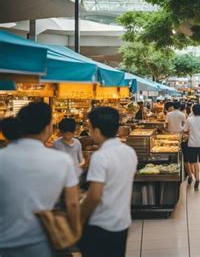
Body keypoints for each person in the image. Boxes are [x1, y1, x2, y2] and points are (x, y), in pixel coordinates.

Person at [0, 102, 80, 257]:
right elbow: (73, 203)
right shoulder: (62, 161)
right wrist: (75, 232)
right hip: (41, 240)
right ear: (47, 127)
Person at [80, 107, 138, 257]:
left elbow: (94, 196)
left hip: (101, 224)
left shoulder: (101, 156)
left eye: (90, 128)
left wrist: (79, 217)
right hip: (122, 222)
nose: (89, 132)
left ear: (97, 131)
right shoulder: (129, 151)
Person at [184, 104, 200, 189]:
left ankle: (197, 178)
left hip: (192, 143)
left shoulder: (189, 119)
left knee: (194, 162)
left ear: (193, 110)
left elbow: (185, 130)